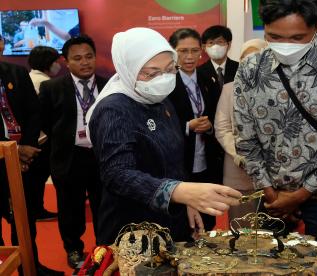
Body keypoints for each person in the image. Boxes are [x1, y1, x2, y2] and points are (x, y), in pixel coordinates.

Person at [86, 27, 242, 245]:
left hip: (171, 220)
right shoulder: (114, 108)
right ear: (128, 69)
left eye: (170, 69)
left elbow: (173, 160)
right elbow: (117, 174)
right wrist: (179, 192)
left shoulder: (160, 98)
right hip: (134, 228)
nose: (163, 79)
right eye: (151, 73)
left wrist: (187, 201)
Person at [233, 0, 317, 239]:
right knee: (265, 266)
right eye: (274, 36)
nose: (285, 45)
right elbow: (245, 138)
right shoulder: (250, 68)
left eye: (297, 38)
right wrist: (270, 192)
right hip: (270, 196)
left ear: (316, 27)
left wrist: (301, 193)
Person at [39, 35, 107, 268]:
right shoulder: (52, 88)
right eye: (77, 58)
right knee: (70, 208)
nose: (85, 62)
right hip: (70, 156)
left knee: (104, 205)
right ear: (67, 62)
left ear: (95, 57)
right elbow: (47, 123)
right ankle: (74, 249)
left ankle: (104, 247)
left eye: (89, 56)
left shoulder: (109, 85)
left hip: (102, 156)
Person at [0, 61, 64, 275]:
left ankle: (31, 267)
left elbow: (34, 112)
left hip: (24, 159)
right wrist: (10, 151)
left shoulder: (16, 73)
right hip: (5, 154)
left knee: (25, 219)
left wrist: (26, 146)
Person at [168, 28, 222, 231]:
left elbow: (220, 117)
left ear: (202, 51)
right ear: (173, 51)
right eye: (183, 51)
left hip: (206, 159)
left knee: (208, 215)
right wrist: (187, 126)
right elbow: (160, 123)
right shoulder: (166, 81)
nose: (189, 57)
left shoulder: (209, 78)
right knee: (182, 219)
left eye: (194, 50)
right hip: (180, 160)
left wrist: (210, 128)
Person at [215, 38, 267, 220]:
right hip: (238, 170)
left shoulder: (279, 89)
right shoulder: (230, 88)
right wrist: (241, 154)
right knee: (242, 230)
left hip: (273, 173)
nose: (250, 63)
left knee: (273, 231)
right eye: (245, 58)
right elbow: (222, 128)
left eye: (256, 57)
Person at [27, 46, 61, 222]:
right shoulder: (44, 83)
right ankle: (36, 209)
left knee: (35, 177)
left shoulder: (29, 78)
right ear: (47, 63)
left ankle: (35, 208)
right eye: (55, 61)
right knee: (38, 176)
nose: (58, 64)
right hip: (42, 138)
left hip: (34, 138)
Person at [198, 25, 239, 105]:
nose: (215, 46)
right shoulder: (199, 72)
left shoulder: (240, 68)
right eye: (211, 43)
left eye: (220, 42)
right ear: (204, 47)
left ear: (229, 45)